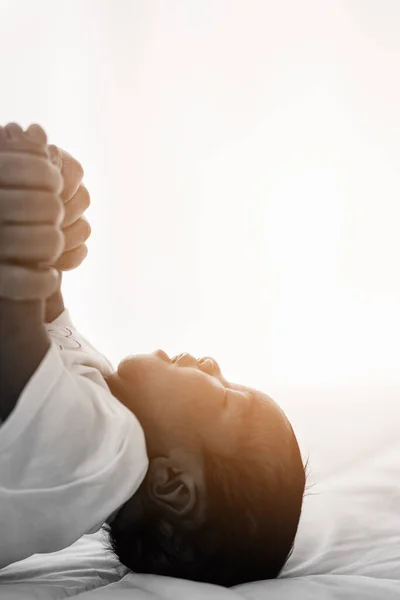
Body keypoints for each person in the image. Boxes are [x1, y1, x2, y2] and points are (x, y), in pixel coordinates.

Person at [0, 123, 306, 587]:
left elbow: (13, 344)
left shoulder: (99, 457)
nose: (213, 365)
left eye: (225, 397)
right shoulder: (102, 400)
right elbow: (42, 307)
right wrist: (55, 214)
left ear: (173, 485)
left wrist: (25, 233)